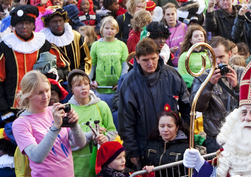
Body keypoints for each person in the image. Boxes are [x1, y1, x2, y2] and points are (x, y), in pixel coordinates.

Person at [12, 70, 86, 177]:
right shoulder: (22, 123)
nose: (46, 96)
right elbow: (36, 156)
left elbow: (80, 144)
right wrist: (55, 127)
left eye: (47, 90)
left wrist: (74, 125)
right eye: (39, 92)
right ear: (28, 95)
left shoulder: (55, 109)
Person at [118, 38, 190, 168]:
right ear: (137, 60)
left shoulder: (172, 75)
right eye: (145, 60)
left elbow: (187, 106)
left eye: (153, 58)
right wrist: (132, 151)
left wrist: (184, 135)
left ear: (158, 56)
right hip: (143, 146)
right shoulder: (128, 83)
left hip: (172, 146)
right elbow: (126, 122)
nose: (150, 63)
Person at [0, 5, 69, 121]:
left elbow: (64, 68)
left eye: (27, 23)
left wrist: (55, 74)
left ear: (33, 24)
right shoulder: (4, 47)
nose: (24, 27)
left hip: (42, 104)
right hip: (14, 107)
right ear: (14, 26)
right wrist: (4, 110)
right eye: (20, 23)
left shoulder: (44, 44)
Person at [67, 69, 117, 177]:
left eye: (86, 84)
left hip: (101, 168)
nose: (83, 88)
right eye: (78, 85)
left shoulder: (101, 105)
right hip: (78, 170)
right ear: (71, 89)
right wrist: (90, 135)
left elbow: (112, 131)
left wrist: (105, 138)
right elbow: (68, 143)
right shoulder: (69, 110)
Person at [190, 36, 244, 153]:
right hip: (216, 138)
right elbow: (197, 106)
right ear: (208, 57)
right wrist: (209, 85)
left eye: (221, 57)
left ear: (229, 54)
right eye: (213, 57)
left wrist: (236, 87)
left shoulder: (242, 72)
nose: (218, 62)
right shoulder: (202, 77)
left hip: (241, 136)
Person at [89, 16, 129, 110]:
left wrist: (121, 83)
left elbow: (125, 66)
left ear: (117, 30)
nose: (109, 31)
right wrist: (90, 81)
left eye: (112, 28)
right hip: (100, 90)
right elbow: (91, 65)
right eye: (107, 28)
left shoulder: (122, 45)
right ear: (102, 29)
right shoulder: (96, 45)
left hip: (116, 90)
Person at [40, 6, 92, 73]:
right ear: (48, 24)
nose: (58, 24)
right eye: (54, 22)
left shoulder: (76, 36)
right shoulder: (43, 40)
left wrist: (79, 74)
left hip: (77, 79)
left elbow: (86, 59)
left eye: (60, 21)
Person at [178, 24, 211, 89]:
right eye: (196, 36)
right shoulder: (185, 56)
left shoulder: (209, 53)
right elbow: (183, 76)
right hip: (194, 88)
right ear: (190, 40)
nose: (200, 38)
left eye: (202, 36)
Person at [162, 3, 187, 67]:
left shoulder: (184, 26)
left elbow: (190, 42)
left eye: (172, 14)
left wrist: (184, 45)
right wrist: (169, 50)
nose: (170, 16)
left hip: (184, 62)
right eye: (168, 14)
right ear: (164, 16)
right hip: (170, 64)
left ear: (176, 14)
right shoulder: (162, 30)